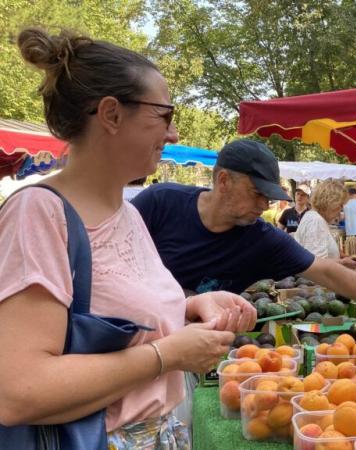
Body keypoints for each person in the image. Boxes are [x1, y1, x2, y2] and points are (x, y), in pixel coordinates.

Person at [0, 28, 255, 446]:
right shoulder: (39, 214)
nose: (172, 135)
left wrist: (189, 308)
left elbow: (102, 312)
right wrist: (167, 355)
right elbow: (19, 392)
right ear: (112, 114)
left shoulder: (128, 214)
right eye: (165, 116)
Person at [132, 139, 356, 339]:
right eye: (257, 193)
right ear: (223, 181)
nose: (265, 205)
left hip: (199, 350)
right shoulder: (160, 203)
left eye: (268, 196)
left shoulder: (262, 238)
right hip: (134, 340)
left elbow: (326, 271)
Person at [296, 180, 356, 269]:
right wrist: (342, 262)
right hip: (314, 282)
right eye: (340, 205)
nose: (341, 210)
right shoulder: (316, 220)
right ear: (331, 202)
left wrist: (338, 255)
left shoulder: (314, 217)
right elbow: (315, 263)